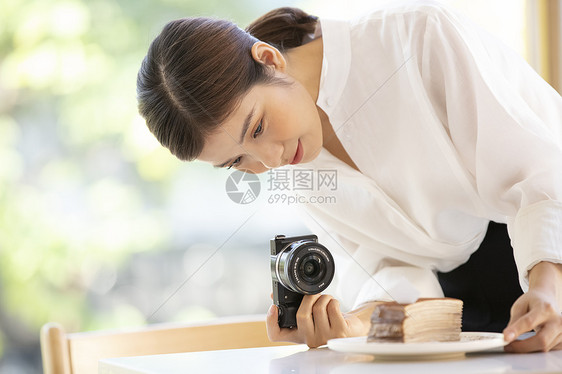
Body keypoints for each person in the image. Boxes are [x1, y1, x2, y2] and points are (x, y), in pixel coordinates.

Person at [136, 1, 562, 352]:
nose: (269, 162)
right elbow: (393, 268)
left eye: (258, 128)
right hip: (491, 328)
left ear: (269, 59)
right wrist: (351, 326)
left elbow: (539, 169)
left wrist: (549, 285)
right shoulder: (297, 170)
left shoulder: (416, 38)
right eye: (236, 162)